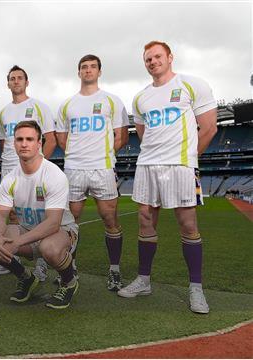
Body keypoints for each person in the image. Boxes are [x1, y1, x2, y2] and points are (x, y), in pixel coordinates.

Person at [118, 41, 217, 314]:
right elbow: (143, 132)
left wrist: (189, 159)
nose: (153, 61)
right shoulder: (141, 97)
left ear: (170, 57)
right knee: (145, 220)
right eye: (148, 59)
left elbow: (209, 128)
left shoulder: (191, 84)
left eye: (157, 56)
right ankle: (144, 280)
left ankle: (196, 289)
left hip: (180, 166)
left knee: (187, 224)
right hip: (148, 164)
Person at [0, 121, 79, 309]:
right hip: (27, 230)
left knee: (48, 248)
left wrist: (17, 242)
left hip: (60, 231)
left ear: (39, 144)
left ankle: (69, 281)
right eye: (19, 139)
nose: (24, 144)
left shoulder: (53, 175)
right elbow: (0, 216)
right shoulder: (10, 179)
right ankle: (26, 277)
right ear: (14, 143)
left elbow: (53, 224)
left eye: (29, 139)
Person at [55, 54, 129, 291]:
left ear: (99, 71)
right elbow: (61, 137)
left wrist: (101, 153)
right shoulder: (67, 104)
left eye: (92, 67)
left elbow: (122, 135)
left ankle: (114, 271)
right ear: (79, 73)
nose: (88, 70)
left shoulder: (112, 101)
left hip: (102, 169)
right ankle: (70, 268)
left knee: (110, 219)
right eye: (84, 67)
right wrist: (78, 154)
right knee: (70, 221)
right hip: (74, 169)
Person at [0, 65, 57, 281]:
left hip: (34, 170)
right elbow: (3, 143)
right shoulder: (3, 112)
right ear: (8, 83)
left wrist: (39, 168)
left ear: (26, 82)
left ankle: (41, 263)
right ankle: (12, 255)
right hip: (10, 168)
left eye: (20, 78)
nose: (16, 81)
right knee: (12, 214)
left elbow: (51, 138)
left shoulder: (39, 107)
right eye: (12, 78)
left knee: (38, 214)